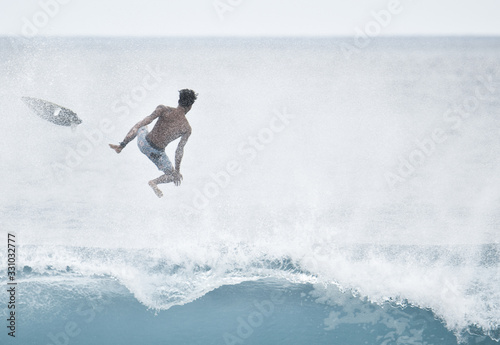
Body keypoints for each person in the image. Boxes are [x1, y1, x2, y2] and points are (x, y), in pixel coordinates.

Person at [109, 89, 198, 198]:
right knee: (172, 175)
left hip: (144, 143)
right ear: (190, 106)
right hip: (157, 154)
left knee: (141, 125)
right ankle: (154, 182)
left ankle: (121, 147)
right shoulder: (186, 128)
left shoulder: (164, 109)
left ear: (179, 100)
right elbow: (179, 150)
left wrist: (127, 139)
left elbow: (147, 120)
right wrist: (177, 171)